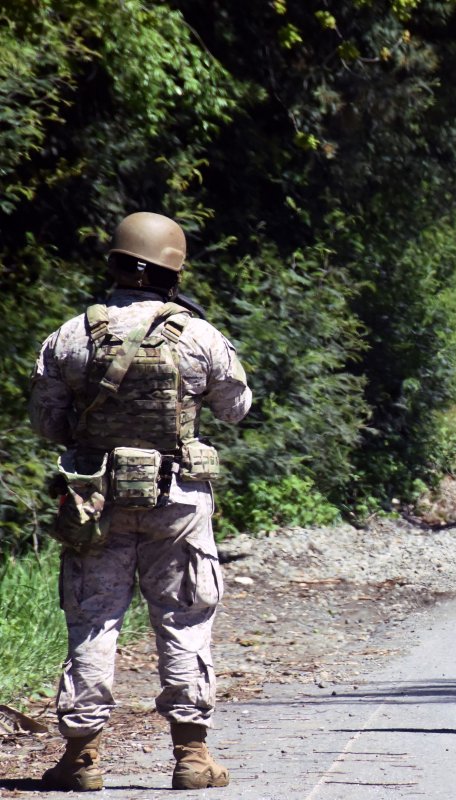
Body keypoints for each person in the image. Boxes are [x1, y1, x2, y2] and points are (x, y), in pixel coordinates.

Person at [29, 212, 252, 791]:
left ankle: (81, 760)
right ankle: (192, 757)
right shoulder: (198, 335)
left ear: (115, 264)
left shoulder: (71, 336)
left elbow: (47, 422)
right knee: (183, 617)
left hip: (94, 502)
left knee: (93, 619)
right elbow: (235, 409)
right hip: (178, 502)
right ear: (173, 271)